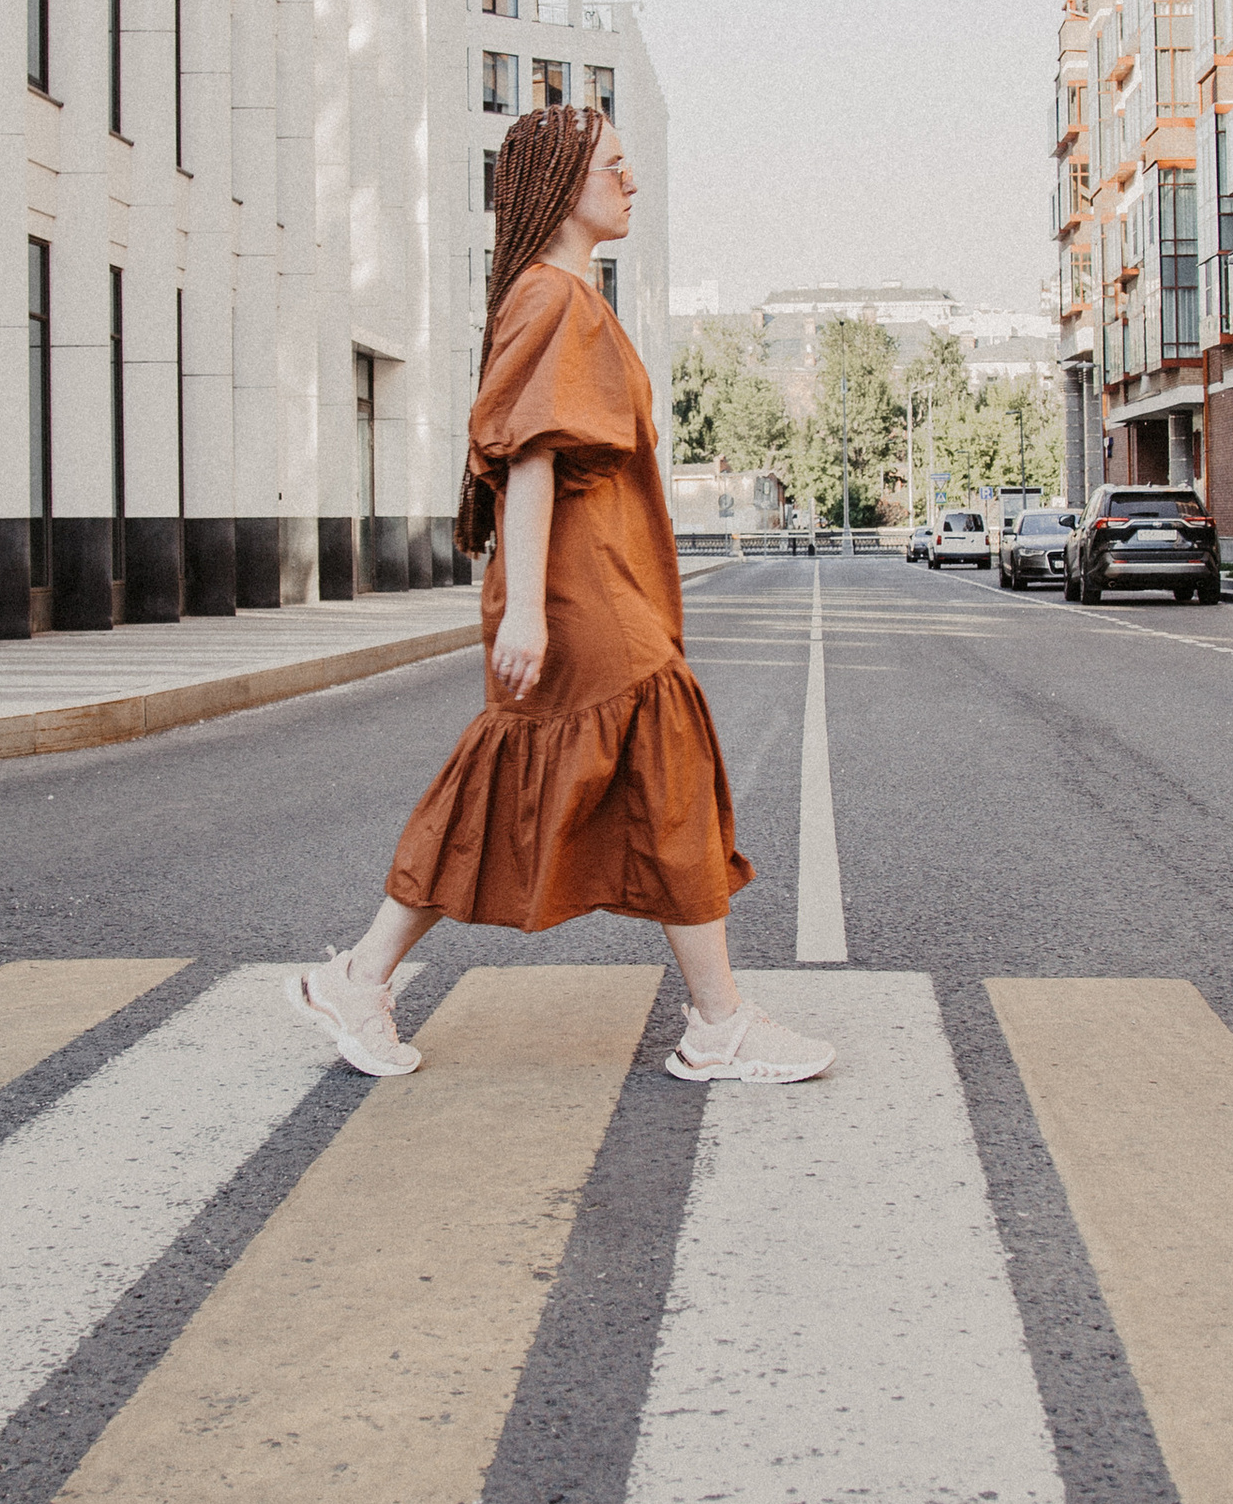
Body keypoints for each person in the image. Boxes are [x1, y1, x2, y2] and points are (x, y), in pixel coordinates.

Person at [289, 101, 834, 1086]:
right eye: (614, 167)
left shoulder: (566, 298)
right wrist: (533, 608)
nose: (631, 182)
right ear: (561, 184)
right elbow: (531, 459)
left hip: (598, 583)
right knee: (659, 782)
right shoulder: (553, 299)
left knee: (532, 782)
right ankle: (718, 1023)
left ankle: (360, 977)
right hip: (582, 595)